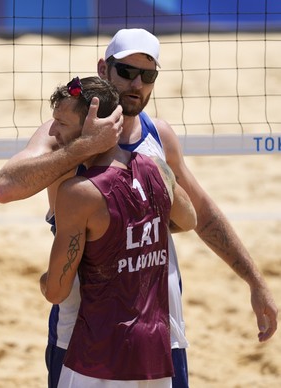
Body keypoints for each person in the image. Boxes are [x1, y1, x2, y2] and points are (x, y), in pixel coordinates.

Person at [0, 28, 278, 388]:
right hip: (81, 337)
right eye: (127, 72)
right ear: (103, 68)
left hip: (159, 333)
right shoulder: (64, 134)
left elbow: (200, 216)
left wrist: (255, 282)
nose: (137, 84)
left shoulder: (158, 136)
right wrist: (83, 148)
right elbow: (5, 187)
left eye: (148, 76)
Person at [41, 76, 196, 387]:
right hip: (155, 348)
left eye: (61, 122)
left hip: (99, 352)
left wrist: (43, 279)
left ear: (93, 127)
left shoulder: (77, 193)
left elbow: (56, 290)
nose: (52, 131)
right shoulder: (157, 170)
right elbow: (188, 219)